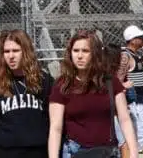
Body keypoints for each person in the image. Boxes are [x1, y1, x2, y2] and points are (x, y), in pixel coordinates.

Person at [48, 30, 137, 158]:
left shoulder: (110, 81)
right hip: (75, 151)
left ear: (95, 53)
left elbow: (125, 120)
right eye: (76, 50)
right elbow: (56, 128)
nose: (79, 56)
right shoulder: (62, 85)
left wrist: (133, 153)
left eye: (85, 51)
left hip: (107, 152)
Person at [0, 30, 52, 158]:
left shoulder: (44, 80)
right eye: (7, 52)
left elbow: (52, 120)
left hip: (37, 150)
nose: (11, 56)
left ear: (26, 51)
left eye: (16, 51)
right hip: (5, 151)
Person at [117, 25, 143, 158]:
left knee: (135, 135)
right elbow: (118, 80)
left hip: (140, 100)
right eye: (140, 37)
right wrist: (125, 87)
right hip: (133, 102)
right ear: (133, 40)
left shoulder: (138, 55)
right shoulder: (126, 56)